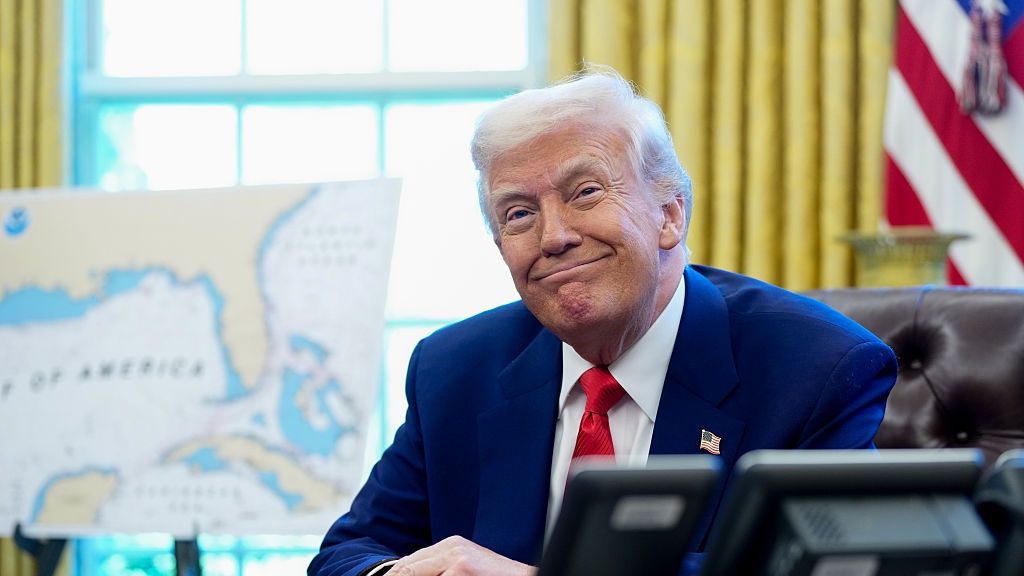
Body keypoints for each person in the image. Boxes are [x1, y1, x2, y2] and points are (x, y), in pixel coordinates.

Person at [308, 68, 897, 576]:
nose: (554, 237)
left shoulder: (818, 369)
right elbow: (348, 553)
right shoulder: (454, 369)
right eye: (518, 213)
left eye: (586, 192)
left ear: (669, 214)